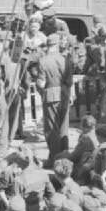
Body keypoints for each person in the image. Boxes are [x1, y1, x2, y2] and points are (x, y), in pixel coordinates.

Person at [36, 33, 72, 162]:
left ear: (48, 45)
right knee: (64, 127)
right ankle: (66, 156)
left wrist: (40, 91)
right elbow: (69, 81)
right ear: (57, 45)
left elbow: (41, 83)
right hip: (65, 94)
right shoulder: (65, 59)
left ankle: (54, 158)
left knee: (52, 129)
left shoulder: (43, 60)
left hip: (51, 95)